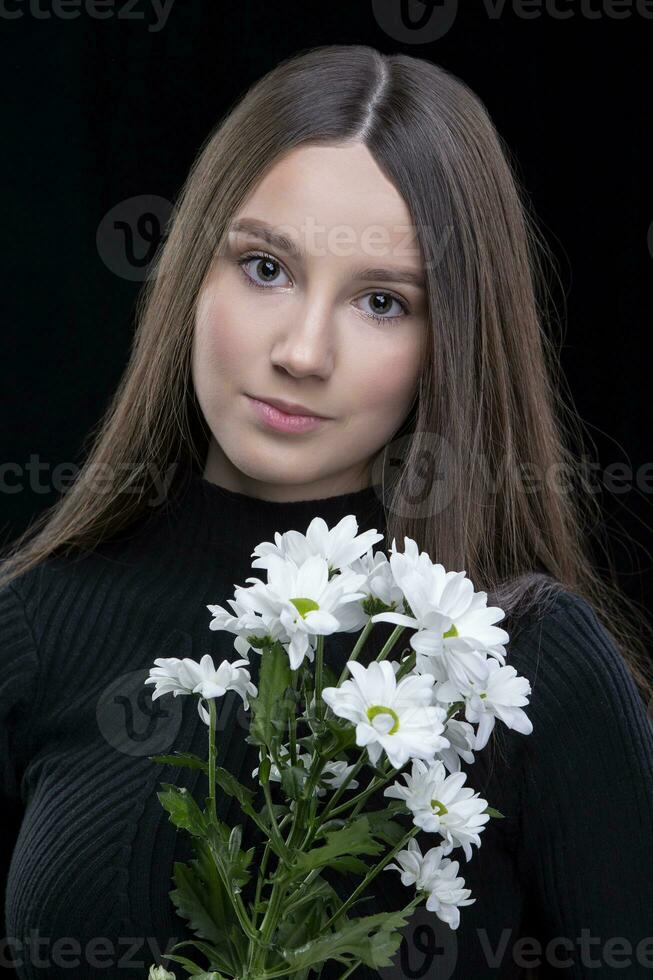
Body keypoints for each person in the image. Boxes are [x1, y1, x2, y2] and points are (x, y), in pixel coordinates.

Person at [1, 44, 652, 980]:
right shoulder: (30, 627)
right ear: (192, 274)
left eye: (381, 301)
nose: (302, 351)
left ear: (451, 344)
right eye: (265, 267)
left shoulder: (525, 661)